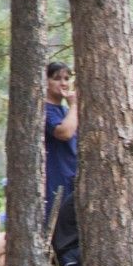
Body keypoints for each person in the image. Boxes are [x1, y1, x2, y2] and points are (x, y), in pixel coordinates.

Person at [44, 61, 79, 219]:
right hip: (55, 179)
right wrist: (74, 105)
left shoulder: (66, 110)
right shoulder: (44, 109)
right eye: (57, 78)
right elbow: (64, 133)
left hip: (73, 178)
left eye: (67, 78)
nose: (63, 83)